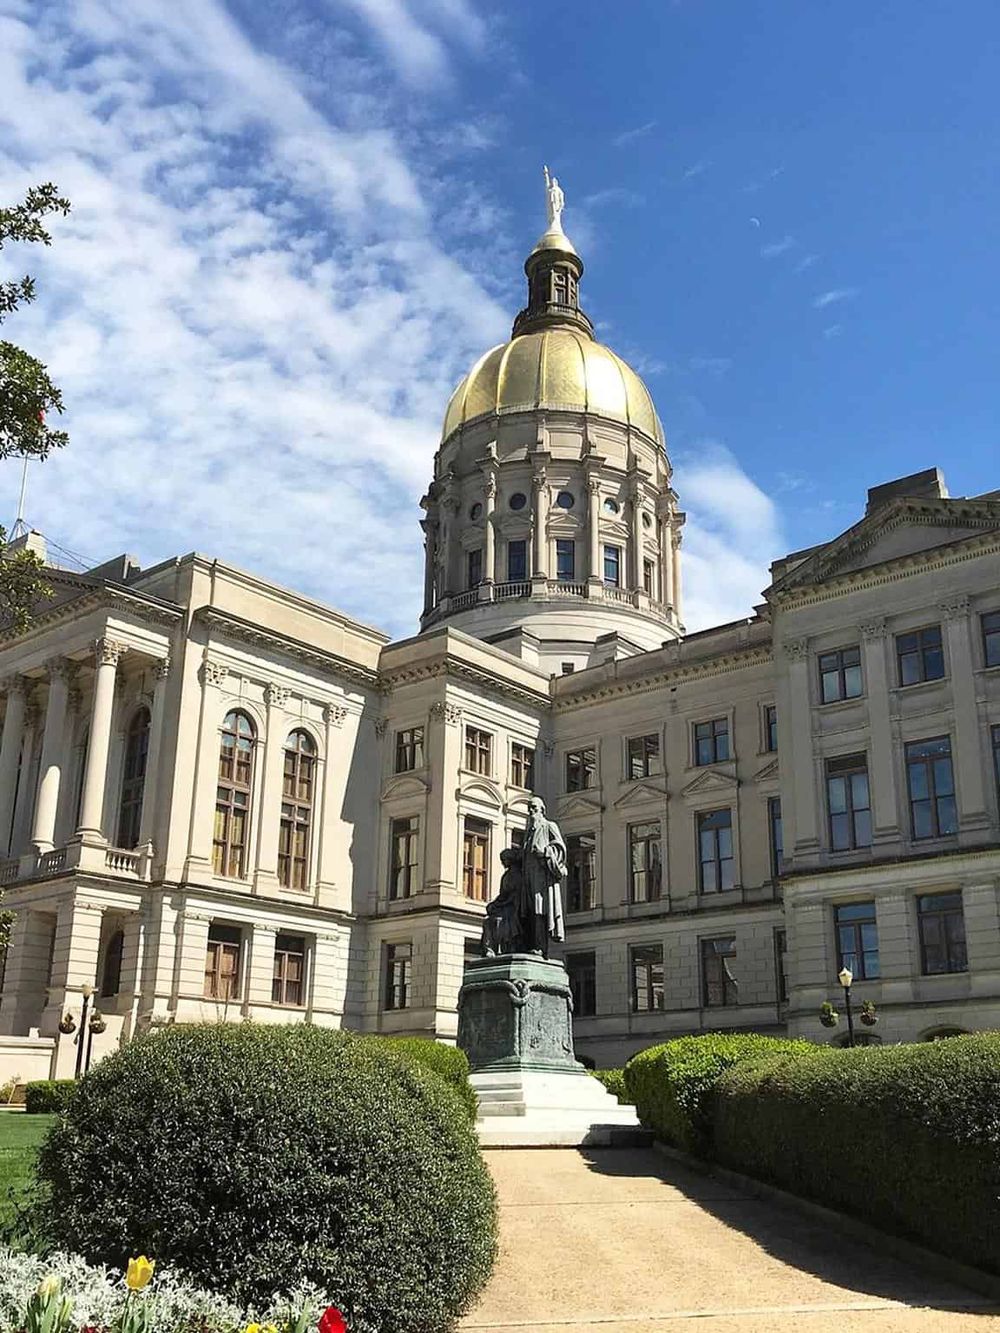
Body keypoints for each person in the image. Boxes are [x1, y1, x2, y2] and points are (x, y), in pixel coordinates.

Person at [519, 795, 567, 957]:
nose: (531, 812)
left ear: (542, 810)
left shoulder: (549, 826)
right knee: (530, 911)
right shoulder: (528, 833)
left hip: (542, 877)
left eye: (534, 808)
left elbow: (560, 848)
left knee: (541, 911)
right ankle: (530, 944)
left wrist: (545, 853)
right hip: (528, 877)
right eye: (529, 809)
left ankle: (540, 947)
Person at [481, 847, 523, 957]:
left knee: (500, 920)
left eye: (504, 860)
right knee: (488, 921)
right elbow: (503, 895)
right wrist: (494, 904)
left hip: (514, 907)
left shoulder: (518, 876)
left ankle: (505, 947)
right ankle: (489, 948)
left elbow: (515, 896)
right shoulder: (506, 876)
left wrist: (500, 904)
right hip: (505, 906)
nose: (502, 863)